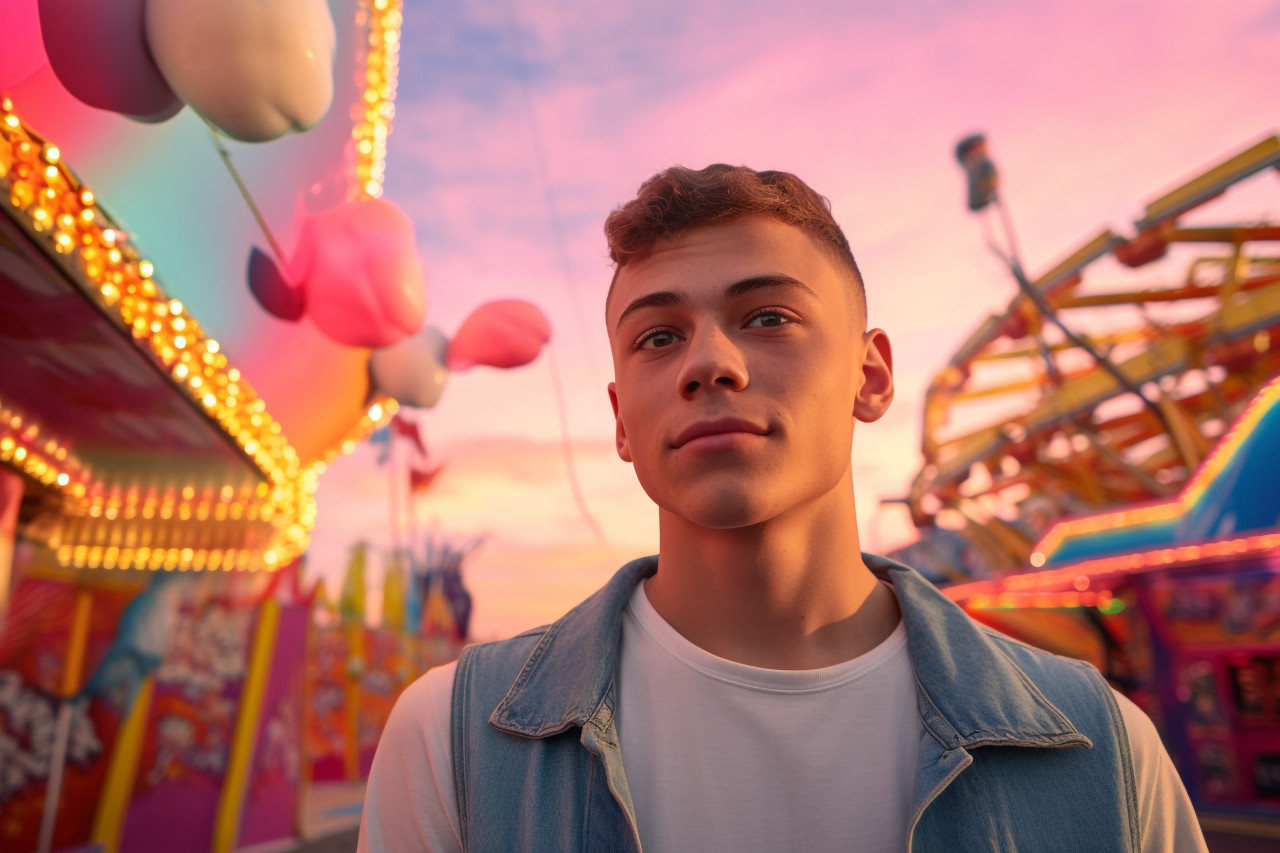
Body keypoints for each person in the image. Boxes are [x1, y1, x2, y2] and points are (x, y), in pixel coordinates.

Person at [358, 165, 1207, 852]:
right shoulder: (454, 743)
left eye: (768, 317)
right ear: (621, 420)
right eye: (659, 336)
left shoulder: (1105, 751)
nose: (709, 363)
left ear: (870, 376)